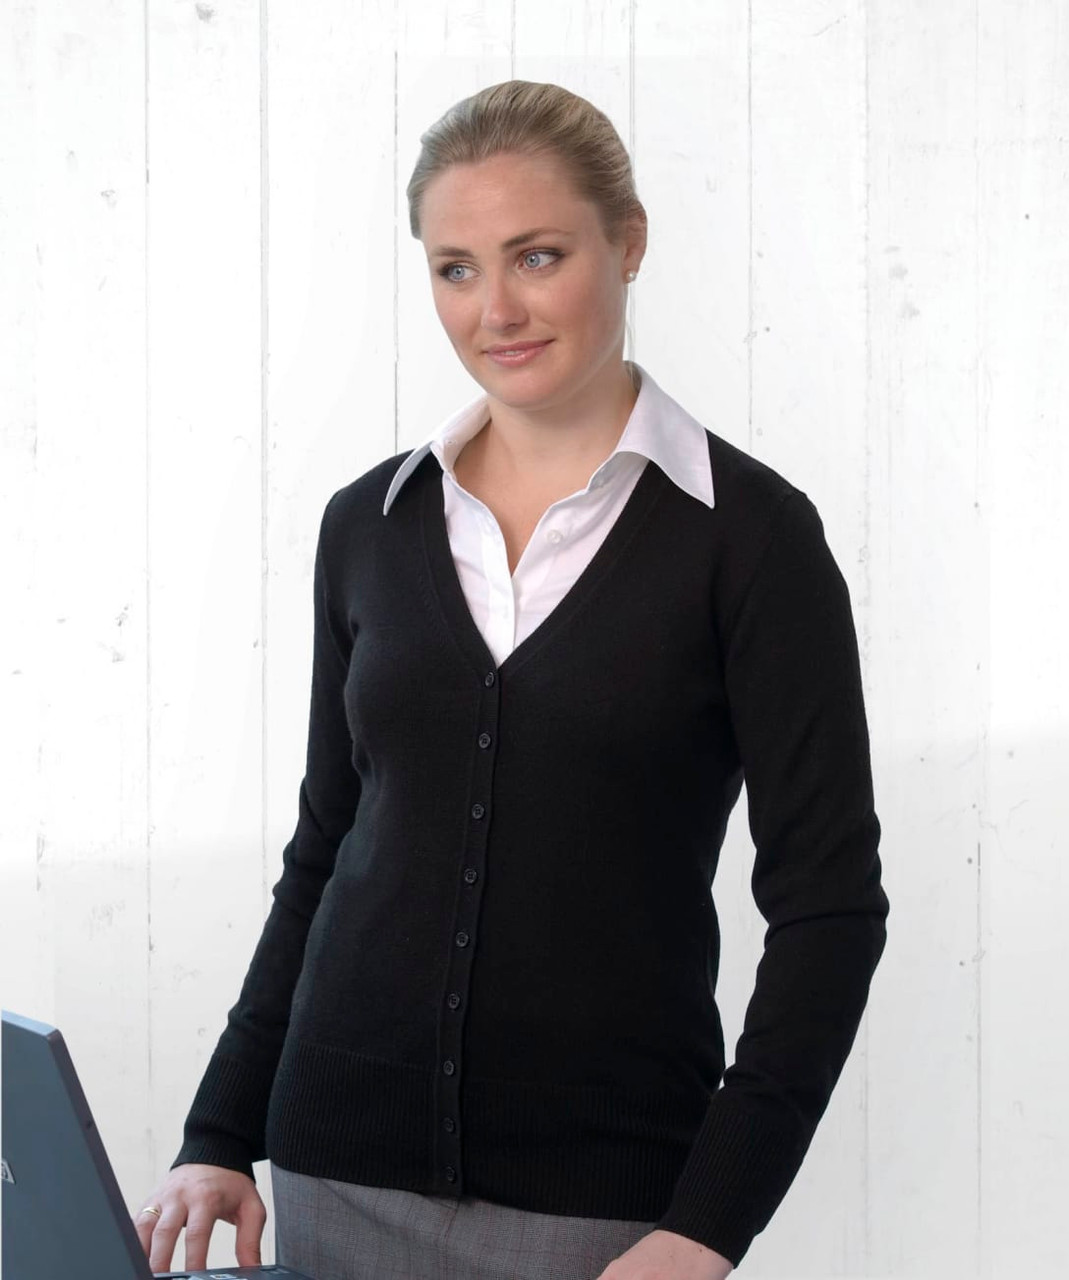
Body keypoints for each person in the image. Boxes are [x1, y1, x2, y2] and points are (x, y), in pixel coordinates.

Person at [136, 80, 888, 1280]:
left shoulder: (750, 539)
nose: (497, 309)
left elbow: (829, 909)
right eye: (456, 267)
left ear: (628, 240)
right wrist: (220, 1128)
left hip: (603, 1213)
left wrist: (708, 1223)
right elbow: (328, 844)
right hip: (330, 1172)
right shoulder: (369, 524)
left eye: (537, 256)